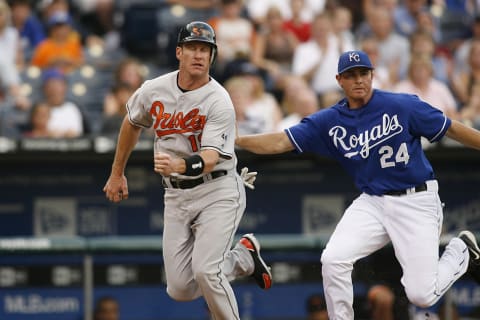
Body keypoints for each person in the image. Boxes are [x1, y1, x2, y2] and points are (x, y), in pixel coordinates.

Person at [235, 49, 480, 319]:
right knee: (332, 259)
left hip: (416, 200)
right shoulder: (329, 121)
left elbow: (451, 128)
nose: (359, 79)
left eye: (363, 73)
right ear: (340, 80)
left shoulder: (402, 106)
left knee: (421, 296)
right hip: (373, 201)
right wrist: (237, 141)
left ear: (372, 75)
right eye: (351, 75)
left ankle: (462, 250)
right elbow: (281, 140)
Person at [102, 21, 272, 319]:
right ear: (179, 52)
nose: (199, 55)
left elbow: (208, 158)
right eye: (193, 47)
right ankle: (243, 258)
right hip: (176, 195)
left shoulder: (219, 100)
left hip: (217, 188)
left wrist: (179, 164)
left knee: (207, 272)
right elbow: (131, 122)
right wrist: (117, 173)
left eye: (205, 50)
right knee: (180, 289)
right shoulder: (154, 89)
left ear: (212, 57)